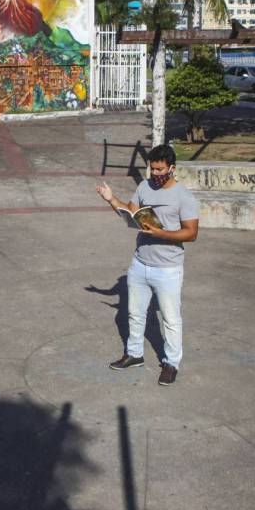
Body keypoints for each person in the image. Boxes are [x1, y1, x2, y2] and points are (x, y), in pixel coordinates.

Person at [95, 144, 199, 386]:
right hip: (140, 262)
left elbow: (191, 233)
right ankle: (134, 354)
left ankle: (171, 363)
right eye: (153, 169)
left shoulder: (183, 196)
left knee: (171, 320)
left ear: (172, 168)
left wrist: (162, 234)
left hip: (168, 268)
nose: (156, 174)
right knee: (134, 313)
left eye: (160, 169)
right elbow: (130, 212)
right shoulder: (144, 186)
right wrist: (111, 199)